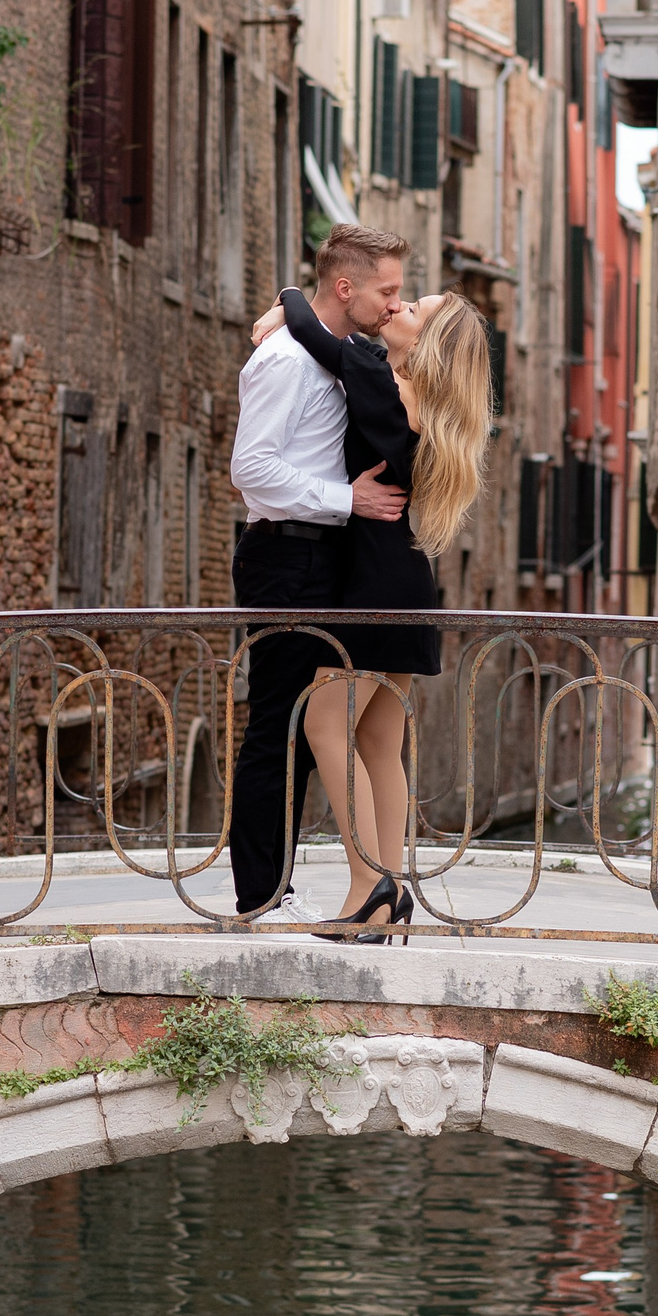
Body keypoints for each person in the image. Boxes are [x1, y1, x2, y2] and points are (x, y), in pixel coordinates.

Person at [250, 284, 492, 939]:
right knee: (381, 745)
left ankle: (366, 884)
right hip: (407, 587)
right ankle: (391, 893)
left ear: (428, 344)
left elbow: (312, 328)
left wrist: (287, 298)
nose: (399, 306)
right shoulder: (427, 407)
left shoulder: (378, 382)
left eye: (413, 309)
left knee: (325, 727)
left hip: (371, 590)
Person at [226, 224, 411, 922]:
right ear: (346, 287)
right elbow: (253, 469)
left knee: (306, 727)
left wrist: (287, 301)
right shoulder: (285, 362)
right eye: (386, 291)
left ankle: (290, 885)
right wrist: (347, 497)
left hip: (326, 557)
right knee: (275, 725)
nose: (394, 305)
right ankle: (261, 895)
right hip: (286, 554)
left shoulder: (345, 354)